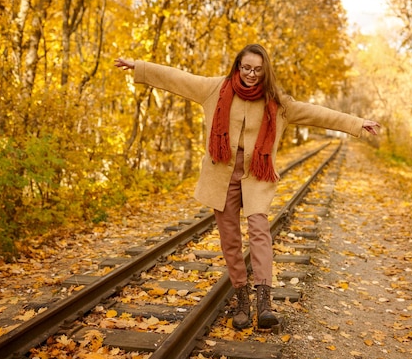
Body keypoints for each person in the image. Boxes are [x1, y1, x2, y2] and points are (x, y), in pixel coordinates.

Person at [115, 44, 380, 330]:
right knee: (229, 239)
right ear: (237, 67)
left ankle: (264, 302)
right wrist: (139, 66)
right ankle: (242, 300)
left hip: (256, 173)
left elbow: (318, 113)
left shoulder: (278, 102)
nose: (251, 74)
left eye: (257, 69)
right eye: (246, 68)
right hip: (222, 173)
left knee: (259, 230)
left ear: (265, 70)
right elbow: (177, 78)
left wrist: (357, 123)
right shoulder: (214, 89)